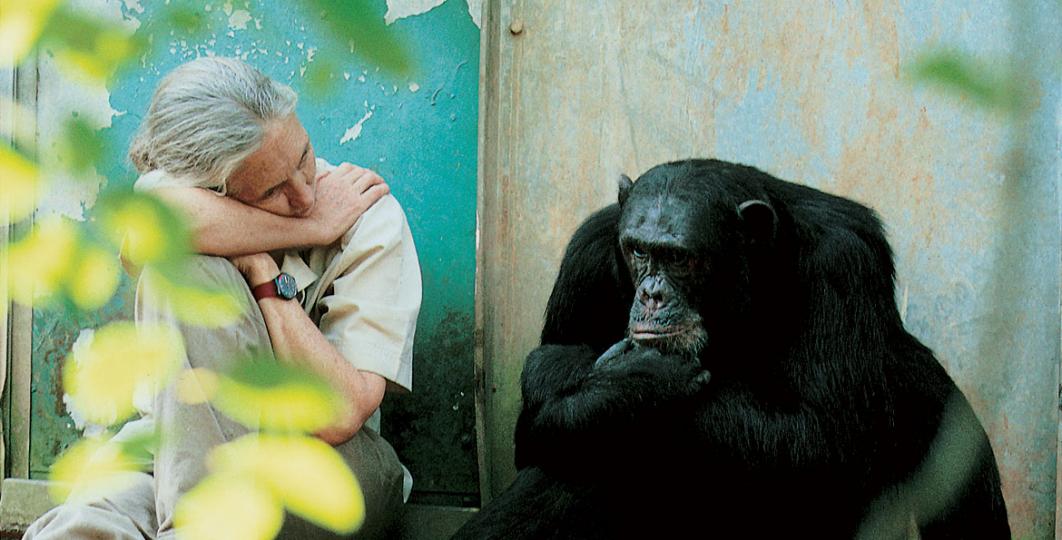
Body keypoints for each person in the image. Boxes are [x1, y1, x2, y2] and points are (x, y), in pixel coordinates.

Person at [24, 57, 421, 539]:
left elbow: (339, 414)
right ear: (213, 190)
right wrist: (298, 235)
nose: (306, 196)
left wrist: (265, 277)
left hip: (330, 468)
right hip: (177, 456)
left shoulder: (367, 215)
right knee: (79, 527)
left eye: (304, 157)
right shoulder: (180, 199)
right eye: (273, 190)